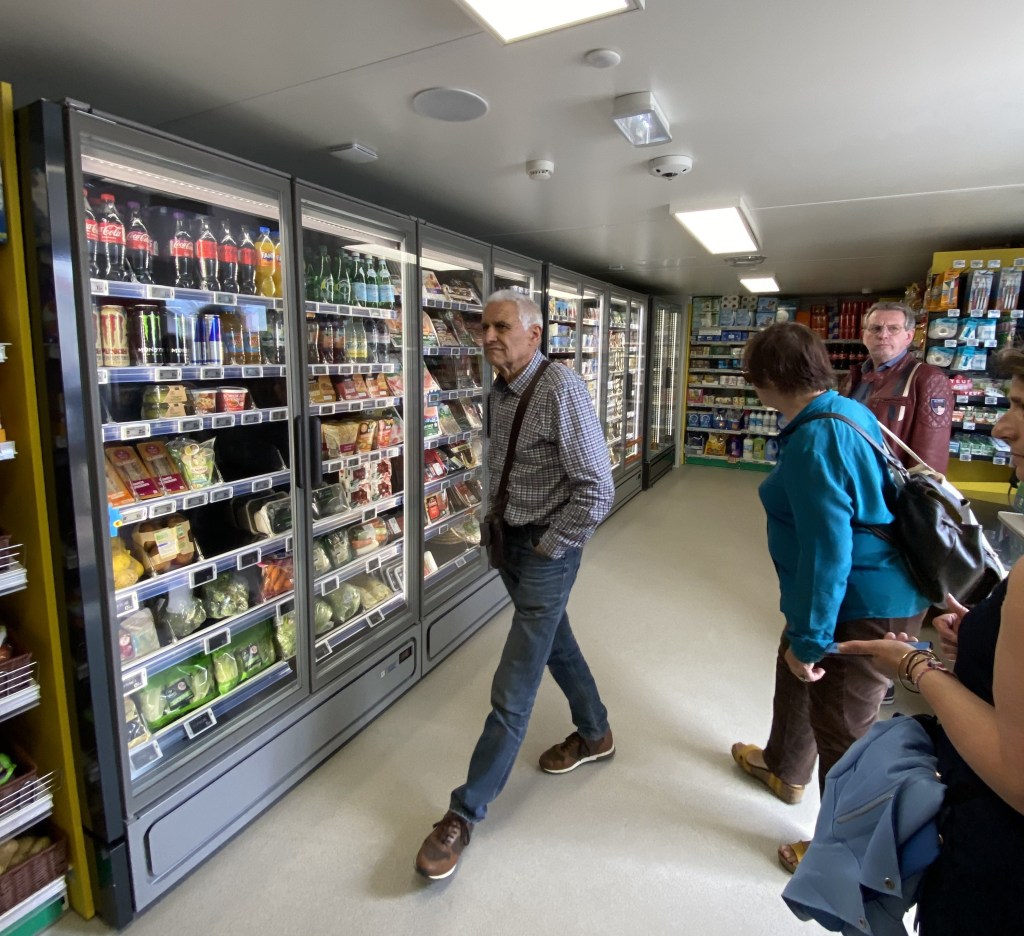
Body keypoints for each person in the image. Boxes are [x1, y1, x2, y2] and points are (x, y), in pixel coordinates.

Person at [414, 290, 615, 881]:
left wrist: (551, 549)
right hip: (511, 543)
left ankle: (463, 812)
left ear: (534, 333)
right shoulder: (501, 391)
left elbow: (597, 490)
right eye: (484, 328)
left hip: (546, 546)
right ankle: (596, 732)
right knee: (555, 641)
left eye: (501, 327)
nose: (488, 337)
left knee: (515, 682)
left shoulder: (561, 389)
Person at [730, 322, 929, 874]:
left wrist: (814, 638)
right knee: (792, 672)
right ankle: (784, 768)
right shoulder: (841, 409)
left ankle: (842, 851)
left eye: (756, 381)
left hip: (861, 604)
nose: (756, 392)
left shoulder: (817, 441)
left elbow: (828, 552)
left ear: (772, 379)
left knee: (844, 727)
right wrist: (802, 637)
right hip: (855, 589)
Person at [838, 348, 1024, 935]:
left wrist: (917, 667)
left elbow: (1016, 773)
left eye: (1020, 406)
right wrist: (982, 646)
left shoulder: (925, 380)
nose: (1001, 424)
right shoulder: (861, 382)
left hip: (1000, 871)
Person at [841, 300, 953, 473]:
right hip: (851, 475)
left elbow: (931, 456)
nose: (883, 335)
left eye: (893, 329)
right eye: (875, 328)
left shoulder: (928, 379)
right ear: (864, 335)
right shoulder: (855, 377)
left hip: (889, 485)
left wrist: (919, 493)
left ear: (909, 336)